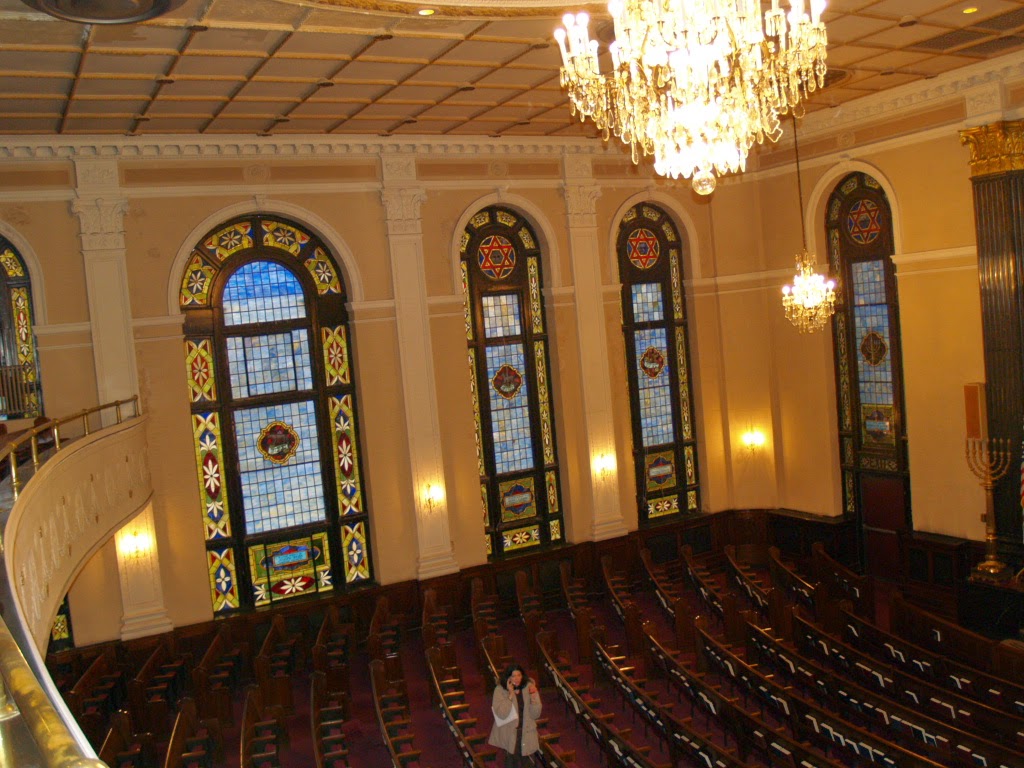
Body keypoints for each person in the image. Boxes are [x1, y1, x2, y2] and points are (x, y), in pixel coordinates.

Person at [489, 662, 542, 767]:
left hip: (527, 732)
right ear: (508, 677)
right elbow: (501, 714)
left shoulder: (529, 687)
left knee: (528, 764)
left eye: (519, 675)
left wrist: (534, 698)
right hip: (510, 733)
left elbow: (536, 715)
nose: (517, 678)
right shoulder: (500, 690)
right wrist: (511, 694)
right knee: (513, 763)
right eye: (513, 676)